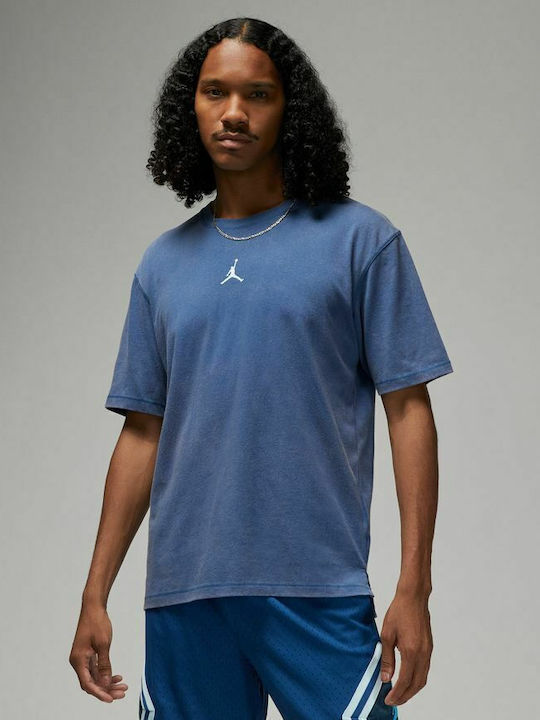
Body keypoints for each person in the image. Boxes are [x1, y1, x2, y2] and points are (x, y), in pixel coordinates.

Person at [69, 16, 453, 720]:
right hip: (185, 596)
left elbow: (408, 412)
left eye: (258, 94)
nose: (234, 112)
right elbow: (143, 433)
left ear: (289, 111)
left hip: (316, 588)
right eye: (215, 92)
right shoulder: (162, 265)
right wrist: (95, 592)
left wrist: (414, 588)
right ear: (191, 107)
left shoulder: (361, 241)